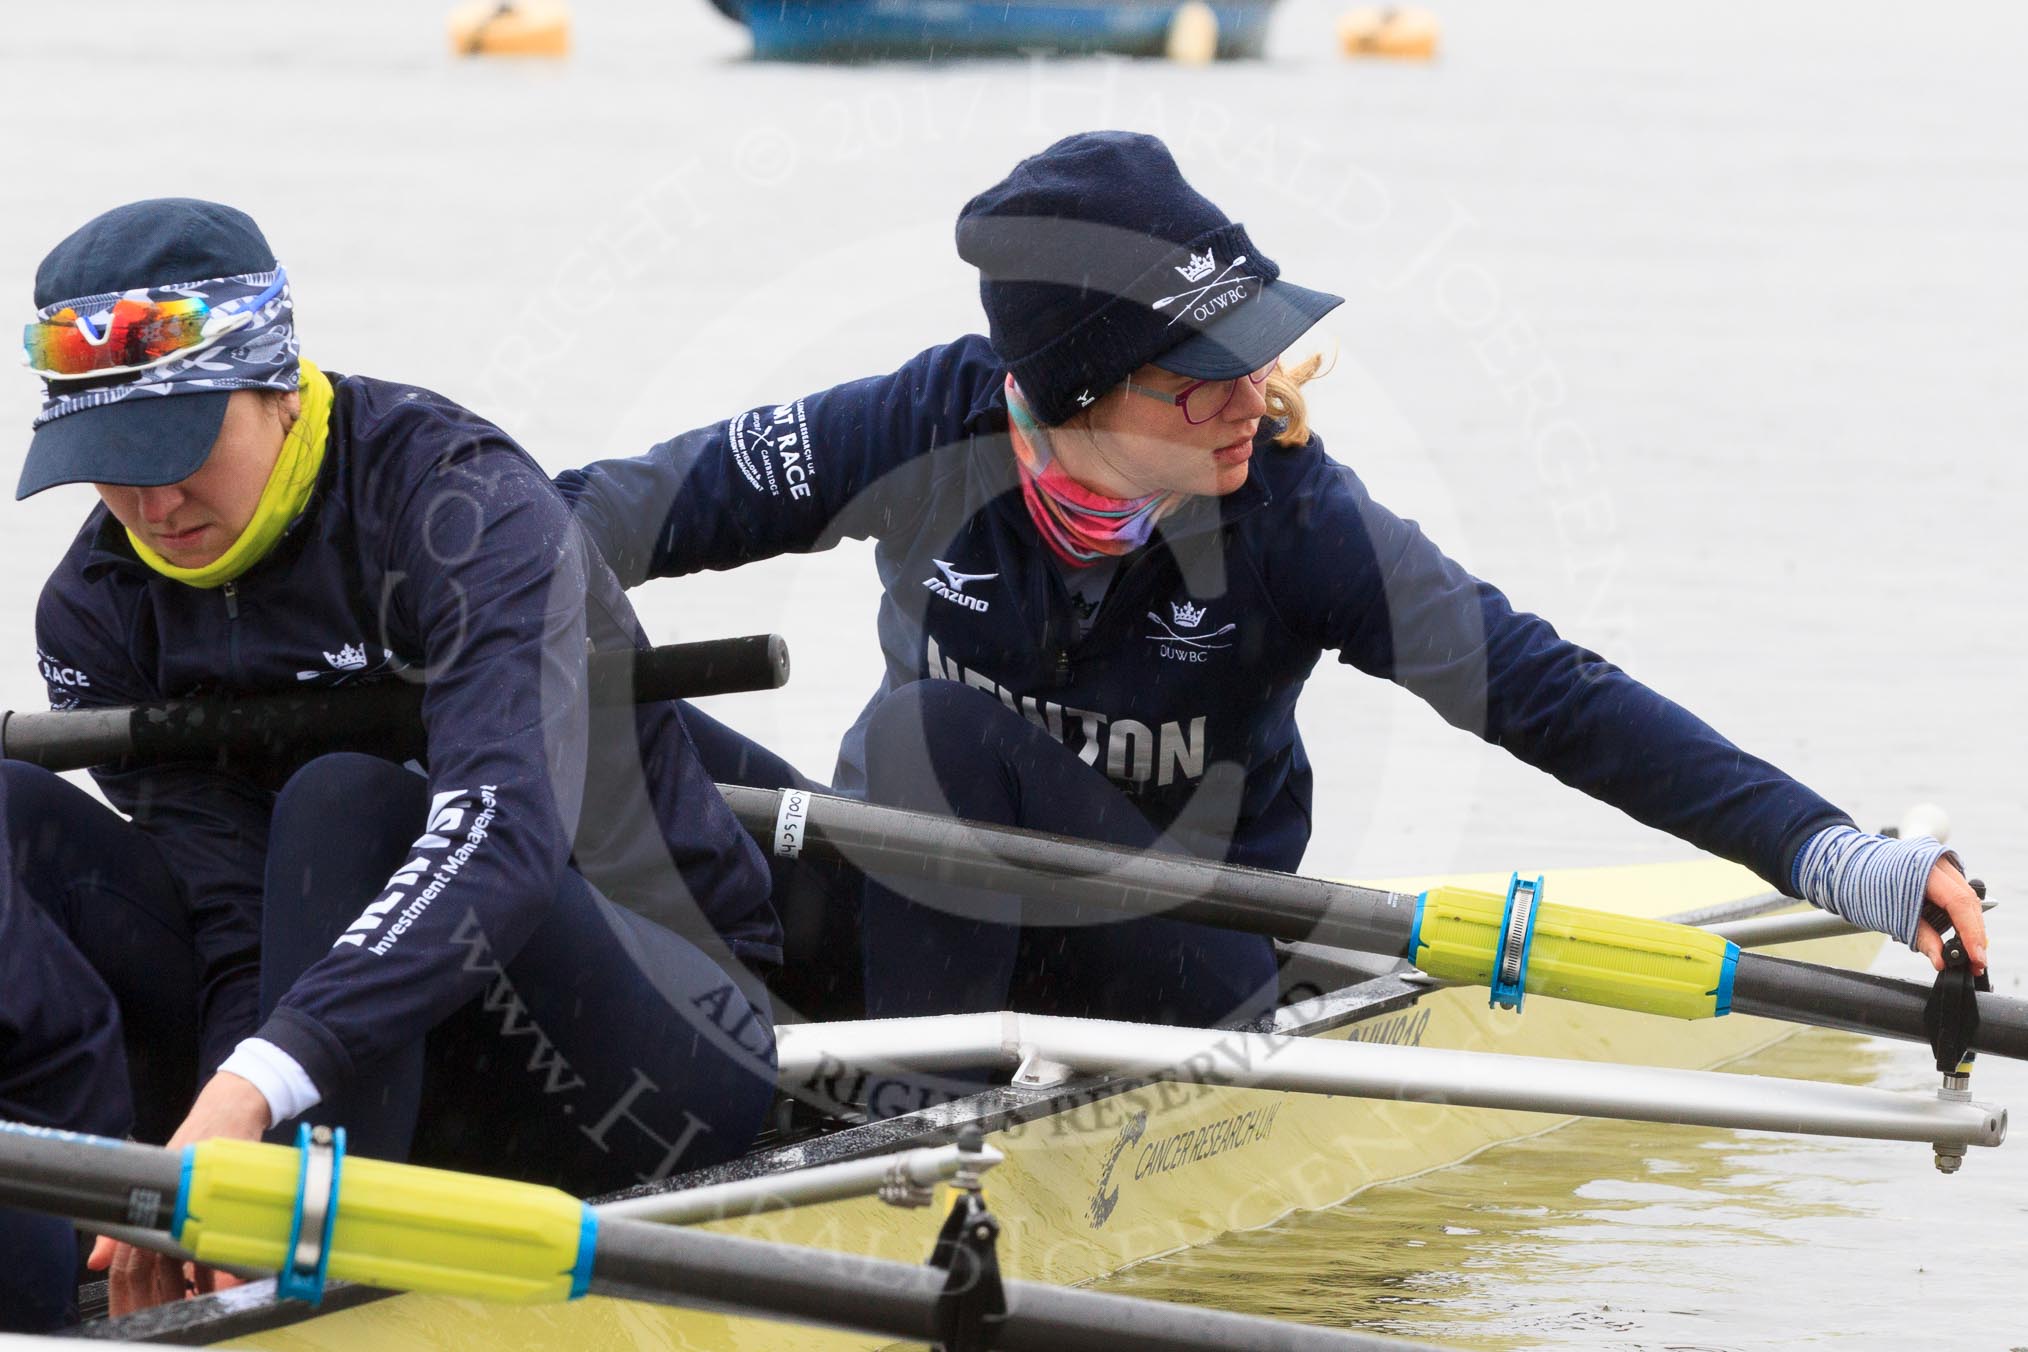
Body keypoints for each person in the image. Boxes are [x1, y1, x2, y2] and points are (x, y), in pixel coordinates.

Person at [557, 131, 1989, 1083]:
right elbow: (614, 509)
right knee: (587, 694)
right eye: (1203, 379)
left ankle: (916, 1144)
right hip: (941, 916)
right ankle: (739, 1076)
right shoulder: (915, 428)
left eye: (1259, 355)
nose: (1255, 401)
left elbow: (1552, 694)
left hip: (1193, 961)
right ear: (1071, 400)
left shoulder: (1294, 513)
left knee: (931, 736)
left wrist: (1836, 858)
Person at [0, 199, 783, 1328]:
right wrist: (215, 1128)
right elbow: (231, 922)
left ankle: (290, 1276)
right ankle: (82, 1237)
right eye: (109, 465)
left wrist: (251, 1095)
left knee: (344, 804)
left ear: (276, 385)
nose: (151, 504)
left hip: (651, 1032)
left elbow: (503, 838)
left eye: (174, 450)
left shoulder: (463, 507)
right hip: (363, 1056)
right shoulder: (95, 610)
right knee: (18, 815)